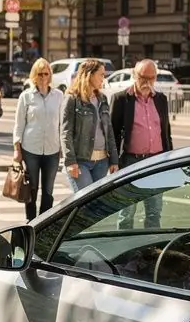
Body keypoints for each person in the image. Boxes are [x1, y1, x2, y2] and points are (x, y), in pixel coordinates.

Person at [110, 58, 172, 229]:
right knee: (126, 212)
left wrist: (170, 160)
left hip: (157, 161)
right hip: (131, 161)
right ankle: (123, 251)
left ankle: (151, 252)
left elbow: (166, 133)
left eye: (151, 78)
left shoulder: (161, 99)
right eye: (143, 77)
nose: (147, 82)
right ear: (134, 75)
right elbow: (113, 134)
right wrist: (113, 162)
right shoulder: (121, 99)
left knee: (154, 211)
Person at [13, 58, 63, 221]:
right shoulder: (26, 97)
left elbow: (63, 124)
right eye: (40, 74)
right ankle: (31, 221)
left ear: (50, 75)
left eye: (46, 73)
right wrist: (17, 150)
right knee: (32, 188)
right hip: (31, 149)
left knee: (48, 190)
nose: (43, 77)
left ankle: (43, 222)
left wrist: (64, 148)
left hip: (52, 149)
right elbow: (19, 125)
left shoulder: (58, 96)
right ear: (34, 75)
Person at [61, 58, 119, 191]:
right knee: (85, 204)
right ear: (89, 75)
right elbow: (65, 132)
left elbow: (109, 131)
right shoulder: (72, 99)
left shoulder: (102, 98)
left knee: (97, 205)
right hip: (80, 161)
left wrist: (114, 160)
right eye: (101, 75)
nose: (103, 79)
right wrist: (70, 161)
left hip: (102, 161)